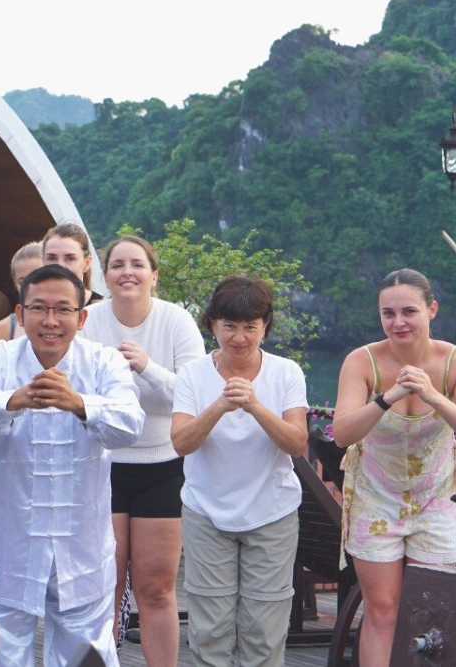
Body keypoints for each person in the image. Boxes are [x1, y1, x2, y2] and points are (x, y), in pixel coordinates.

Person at [0, 264, 144, 666]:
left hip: (81, 549)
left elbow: (130, 424)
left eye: (62, 309)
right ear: (20, 315)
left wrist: (80, 404)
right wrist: (12, 400)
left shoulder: (104, 363)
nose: (50, 321)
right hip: (5, 546)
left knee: (87, 658)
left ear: (82, 316)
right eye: (38, 309)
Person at [171, 276, 307, 667]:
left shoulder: (286, 373)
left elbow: (297, 443)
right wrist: (219, 405)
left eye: (250, 327)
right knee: (209, 630)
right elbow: (181, 442)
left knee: (263, 632)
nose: (239, 337)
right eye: (229, 326)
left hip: (272, 513)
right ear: (212, 323)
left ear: (266, 326)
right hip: (205, 511)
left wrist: (256, 406)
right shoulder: (193, 375)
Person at [81, 235, 205, 666]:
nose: (127, 273)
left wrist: (147, 367)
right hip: (103, 466)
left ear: (154, 275)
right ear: (105, 276)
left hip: (162, 464)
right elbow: (76, 390)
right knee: (105, 585)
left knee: (156, 588)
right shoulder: (89, 320)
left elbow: (195, 394)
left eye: (137, 264)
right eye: (117, 265)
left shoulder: (176, 321)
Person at [331, 268, 456, 667]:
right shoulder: (362, 360)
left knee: (431, 608)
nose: (398, 322)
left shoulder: (452, 359)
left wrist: (434, 396)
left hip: (435, 497)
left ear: (431, 310)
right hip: (375, 497)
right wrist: (387, 397)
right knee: (382, 609)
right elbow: (342, 434)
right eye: (388, 313)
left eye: (408, 311)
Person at [0, 241, 43, 347]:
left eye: (38, 278)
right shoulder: (1, 331)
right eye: (22, 282)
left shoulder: (72, 324)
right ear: (15, 284)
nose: (30, 287)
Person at [42, 222, 103, 306]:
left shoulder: (105, 311)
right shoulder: (32, 310)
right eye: (52, 258)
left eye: (70, 258)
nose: (60, 266)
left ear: (86, 263)